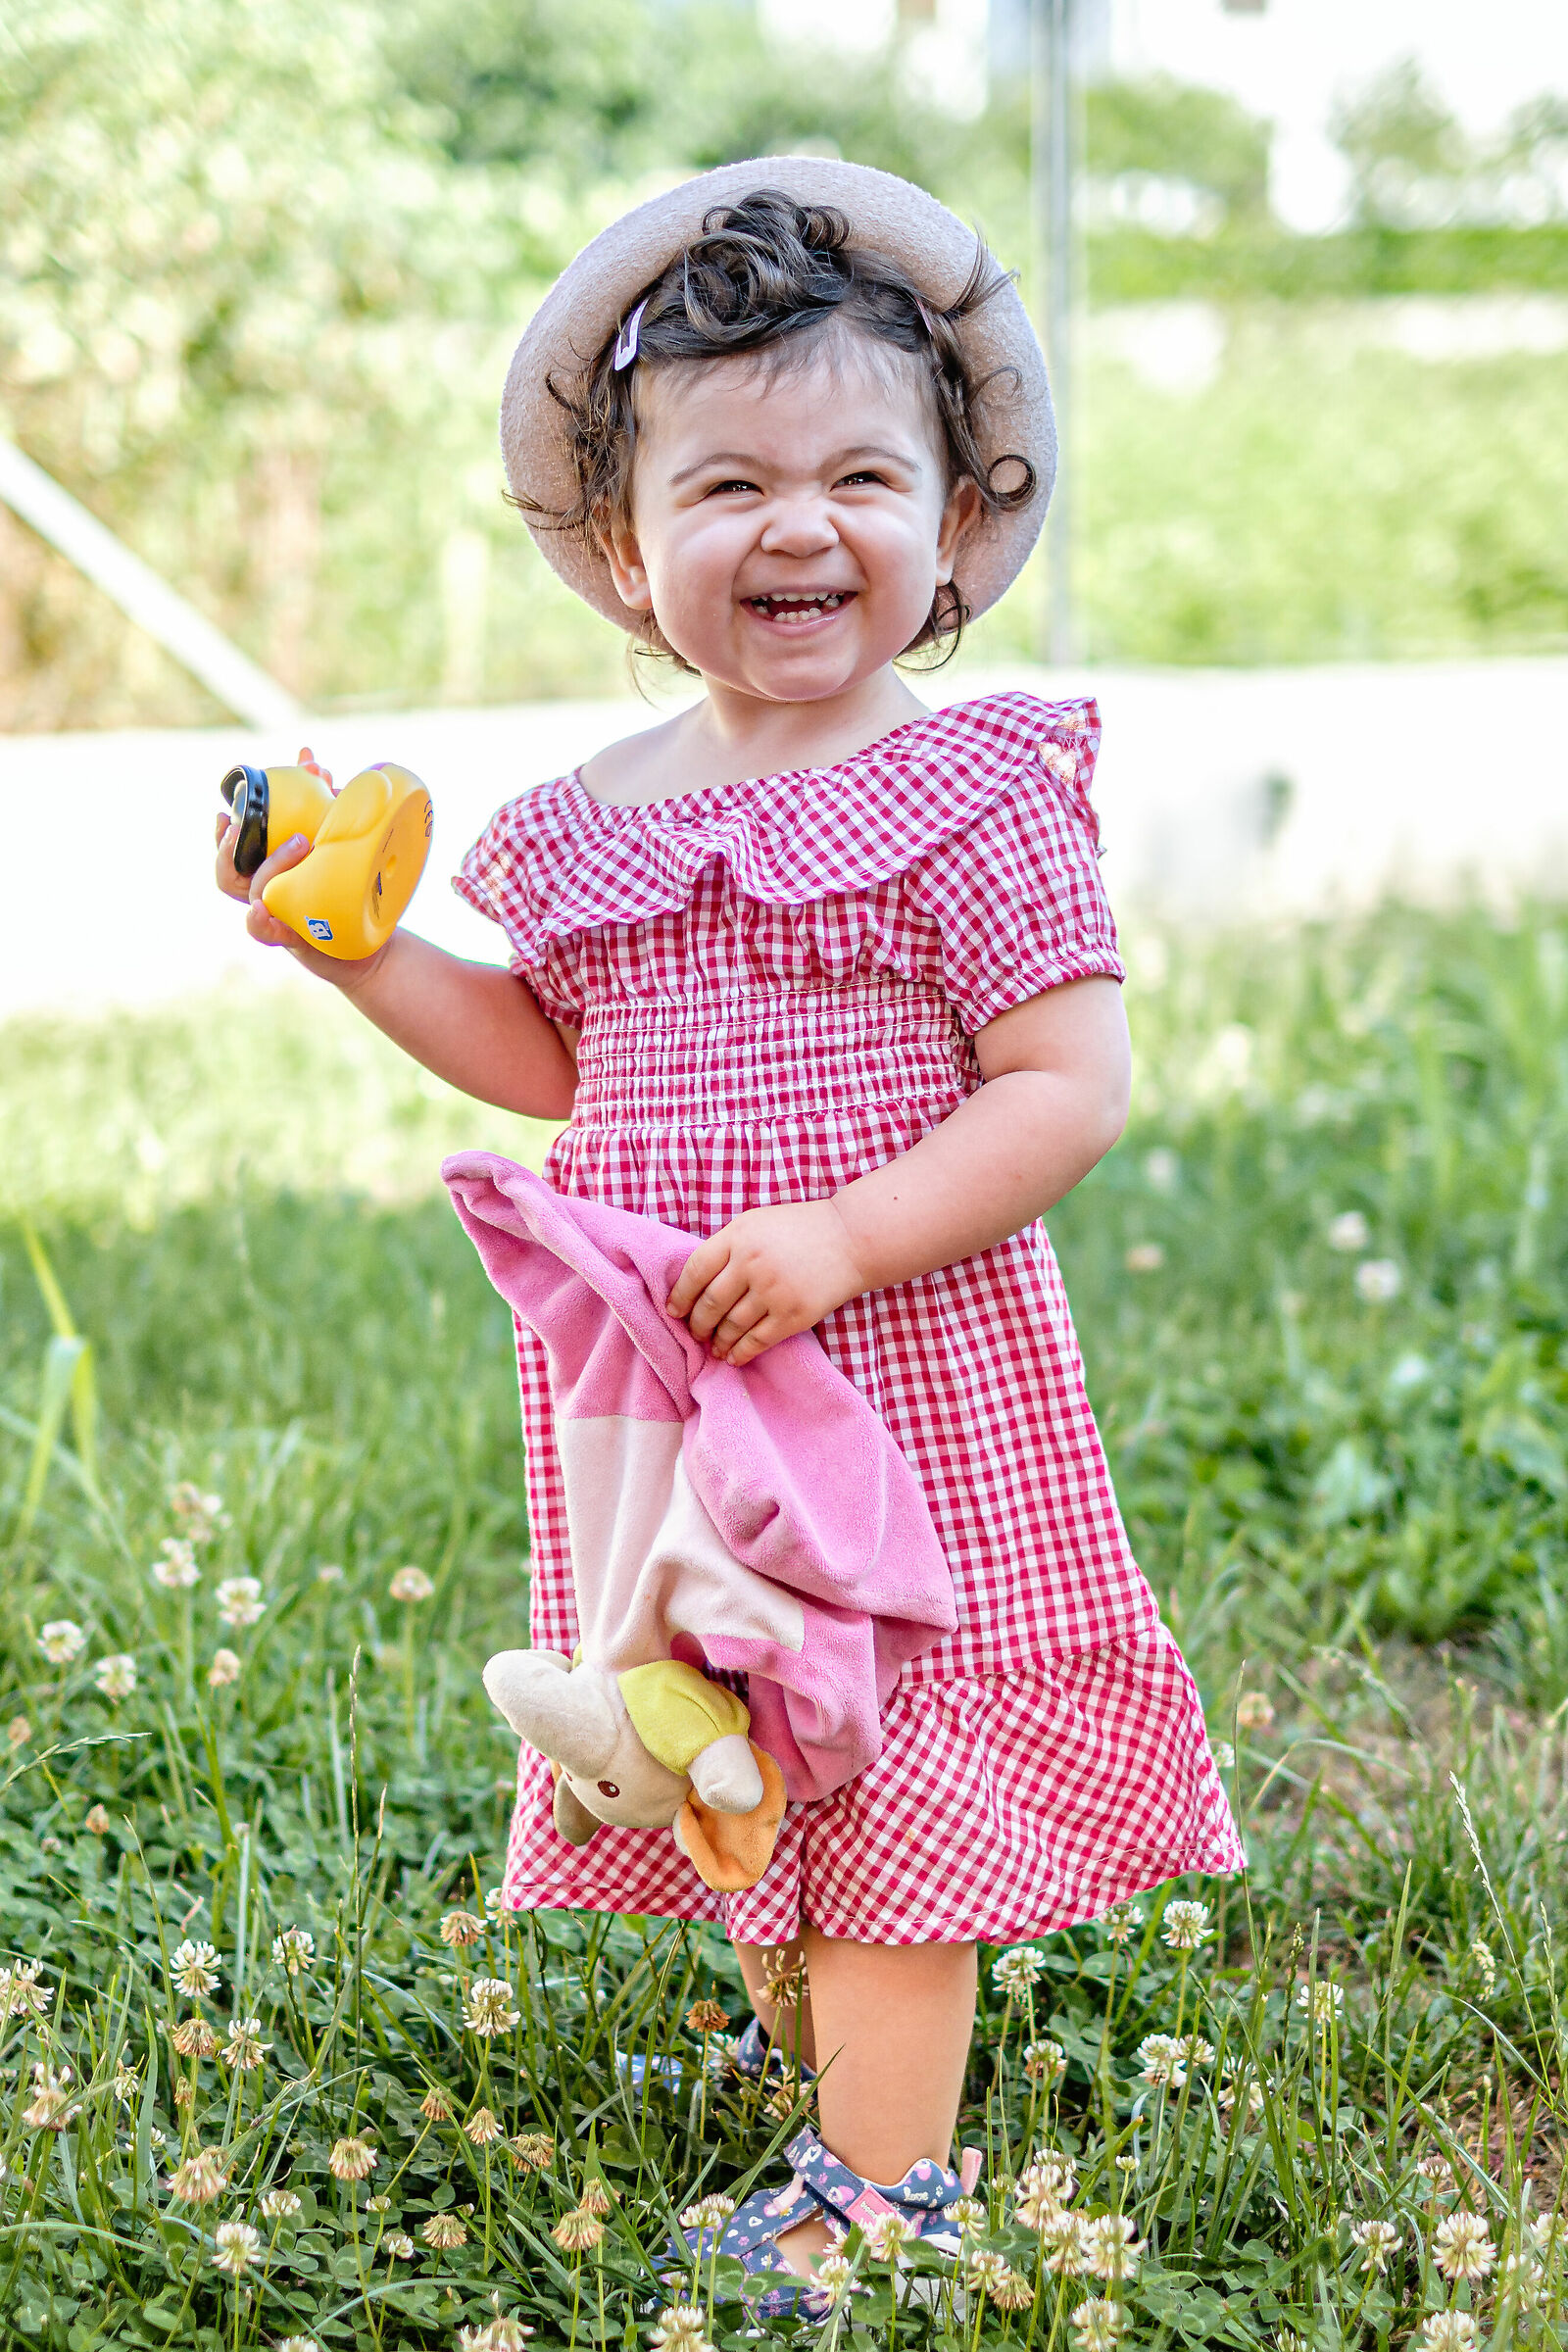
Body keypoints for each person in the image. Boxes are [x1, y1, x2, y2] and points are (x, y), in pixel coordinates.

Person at [217, 159, 1242, 2312]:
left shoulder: (971, 796)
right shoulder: (596, 824)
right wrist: (358, 952)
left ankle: (886, 2182)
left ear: (957, 524)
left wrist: (852, 1237)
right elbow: (540, 1052)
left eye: (863, 472)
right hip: (666, 1392)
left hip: (891, 1375)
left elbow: (1065, 1087)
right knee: (729, 1752)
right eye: (727, 486)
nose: (798, 526)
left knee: (883, 1755)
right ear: (620, 550)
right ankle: (840, 2104)